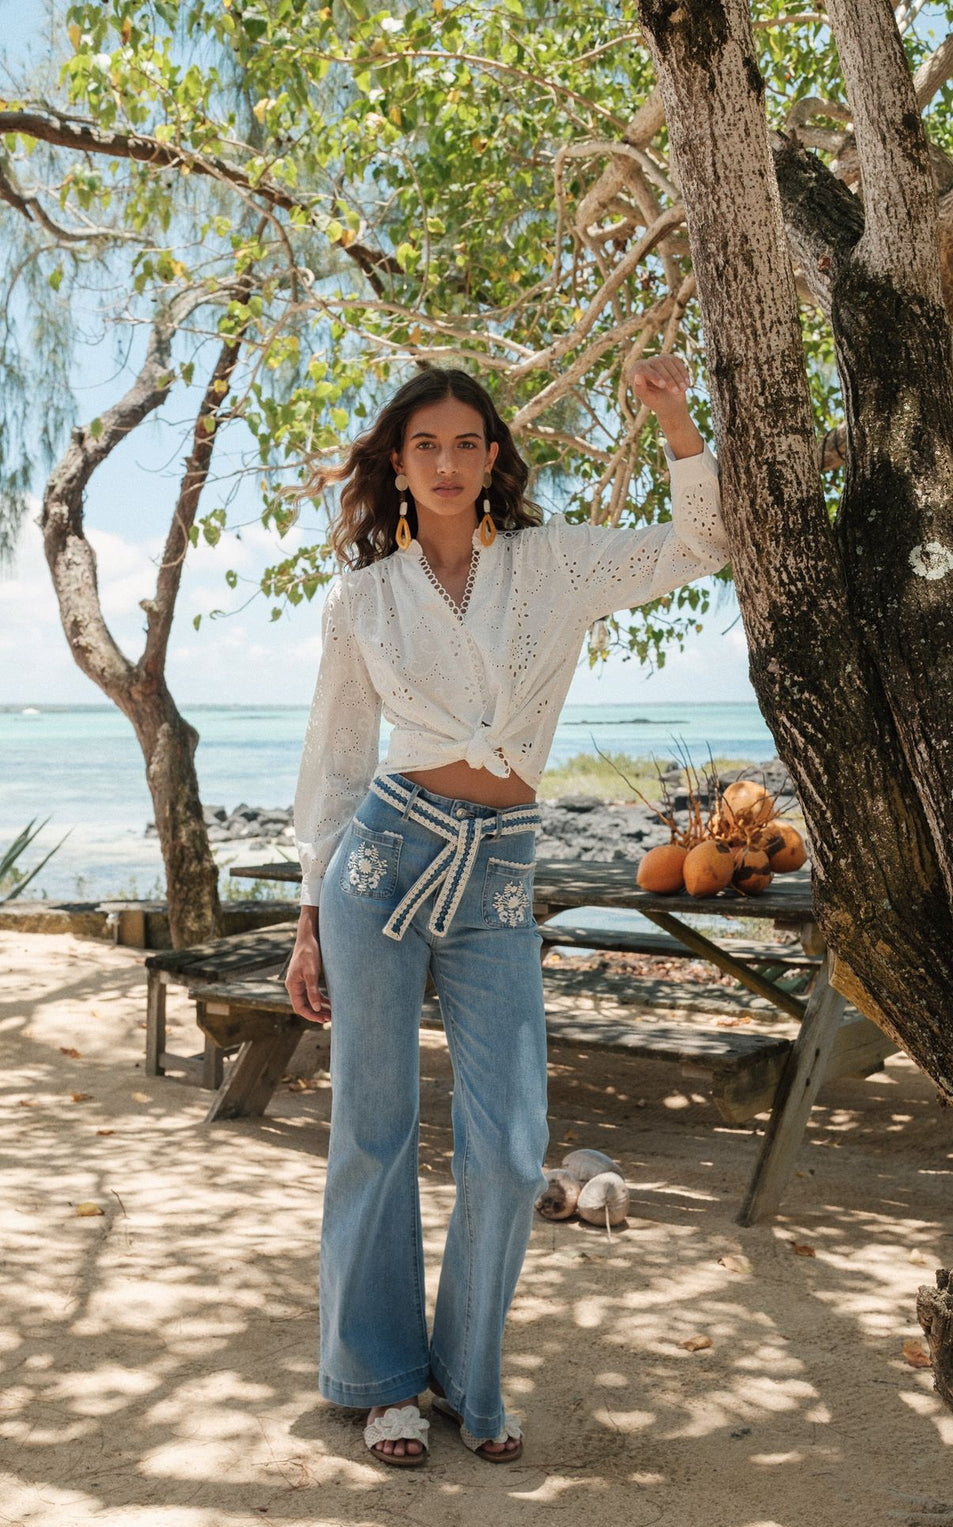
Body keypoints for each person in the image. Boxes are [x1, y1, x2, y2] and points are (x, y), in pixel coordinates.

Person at [286, 357, 726, 1467]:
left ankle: (467, 1375)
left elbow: (699, 544)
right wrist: (306, 913)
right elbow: (336, 764)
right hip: (379, 865)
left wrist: (674, 418)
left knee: (510, 1145)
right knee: (373, 1133)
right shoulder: (361, 599)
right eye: (423, 444)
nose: (445, 461)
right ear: (398, 461)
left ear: (493, 460)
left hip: (497, 877)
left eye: (466, 443)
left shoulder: (553, 563)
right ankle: (383, 1381)